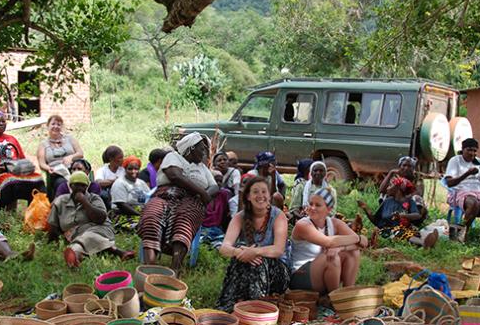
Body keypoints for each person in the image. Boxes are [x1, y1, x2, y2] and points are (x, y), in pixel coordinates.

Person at [138, 132, 218, 273]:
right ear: (191, 148)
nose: (204, 153)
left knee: (185, 220)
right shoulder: (173, 156)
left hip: (192, 200)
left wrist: (205, 194)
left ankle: (175, 269)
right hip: (166, 194)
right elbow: (174, 175)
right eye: (201, 149)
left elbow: (214, 186)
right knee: (152, 215)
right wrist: (202, 192)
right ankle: (149, 266)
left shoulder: (202, 168)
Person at [216, 177, 290, 311]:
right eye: (255, 192)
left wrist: (254, 252)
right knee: (240, 254)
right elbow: (224, 247)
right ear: (248, 196)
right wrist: (239, 252)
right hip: (248, 270)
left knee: (258, 261)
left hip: (277, 274)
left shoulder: (278, 216)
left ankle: (254, 308)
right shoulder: (240, 217)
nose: (260, 195)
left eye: (264, 192)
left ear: (269, 195)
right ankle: (230, 307)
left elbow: (278, 250)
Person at [47, 171, 135, 267]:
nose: (80, 188)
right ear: (71, 186)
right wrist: (55, 241)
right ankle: (78, 257)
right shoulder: (60, 201)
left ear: (87, 187)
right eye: (76, 185)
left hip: (99, 228)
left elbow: (100, 219)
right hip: (76, 234)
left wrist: (84, 201)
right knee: (80, 241)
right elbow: (53, 225)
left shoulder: (94, 199)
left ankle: (77, 254)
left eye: (83, 186)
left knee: (88, 236)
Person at [291, 188, 366, 293]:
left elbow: (362, 244)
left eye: (318, 205)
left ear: (329, 209)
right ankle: (333, 299)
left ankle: (347, 295)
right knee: (330, 257)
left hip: (322, 274)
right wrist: (358, 238)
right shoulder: (302, 225)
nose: (312, 208)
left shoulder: (335, 223)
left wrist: (341, 248)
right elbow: (329, 242)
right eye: (311, 204)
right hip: (301, 276)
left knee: (353, 252)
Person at [0, 111, 45, 211]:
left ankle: (35, 214)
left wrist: (25, 168)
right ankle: (1, 212)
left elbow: (21, 159)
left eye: (3, 121)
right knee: (9, 182)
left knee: (38, 181)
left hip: (14, 173)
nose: (1, 123)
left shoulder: (12, 139)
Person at [358, 176, 438, 248]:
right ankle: (424, 243)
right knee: (398, 232)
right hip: (387, 231)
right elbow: (376, 220)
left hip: (406, 229)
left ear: (398, 188)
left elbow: (417, 215)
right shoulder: (387, 201)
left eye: (390, 185)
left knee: (411, 232)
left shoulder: (409, 201)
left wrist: (402, 216)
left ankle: (426, 240)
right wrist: (365, 208)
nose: (387, 188)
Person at [444, 138, 480, 242]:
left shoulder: (479, 162)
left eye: (474, 151)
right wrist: (467, 173)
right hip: (460, 191)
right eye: (469, 150)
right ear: (463, 149)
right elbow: (449, 183)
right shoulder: (455, 161)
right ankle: (462, 233)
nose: (472, 153)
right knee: (473, 203)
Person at [36, 115, 83, 201]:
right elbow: (41, 163)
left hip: (73, 169)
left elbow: (80, 153)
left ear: (62, 127)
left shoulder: (70, 138)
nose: (56, 126)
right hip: (57, 173)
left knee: (80, 181)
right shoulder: (43, 144)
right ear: (48, 126)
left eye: (59, 124)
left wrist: (71, 157)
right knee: (62, 183)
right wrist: (49, 168)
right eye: (53, 124)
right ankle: (62, 207)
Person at [380, 156, 428, 224]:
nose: (406, 168)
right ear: (399, 166)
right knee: (383, 195)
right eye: (404, 165)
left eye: (409, 166)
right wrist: (391, 173)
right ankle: (387, 217)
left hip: (409, 204)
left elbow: (419, 193)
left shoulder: (417, 177)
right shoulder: (395, 176)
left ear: (413, 168)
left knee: (416, 198)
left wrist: (404, 198)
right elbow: (382, 190)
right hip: (396, 202)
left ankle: (416, 220)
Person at [111, 155, 150, 221]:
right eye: (130, 169)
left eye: (136, 169)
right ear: (125, 169)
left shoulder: (141, 183)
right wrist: (139, 215)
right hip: (125, 215)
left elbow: (149, 197)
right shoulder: (119, 183)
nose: (133, 171)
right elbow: (121, 205)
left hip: (142, 213)